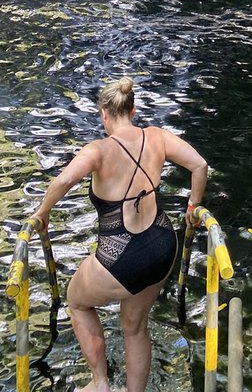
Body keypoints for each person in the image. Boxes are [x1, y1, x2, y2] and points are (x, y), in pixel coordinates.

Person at [32, 78, 208, 392]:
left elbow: (61, 182)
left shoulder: (97, 151)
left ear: (104, 114)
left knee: (77, 301)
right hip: (162, 244)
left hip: (122, 253)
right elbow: (199, 164)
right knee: (134, 327)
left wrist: (42, 213)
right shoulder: (156, 136)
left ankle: (100, 383)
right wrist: (192, 208)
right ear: (133, 109)